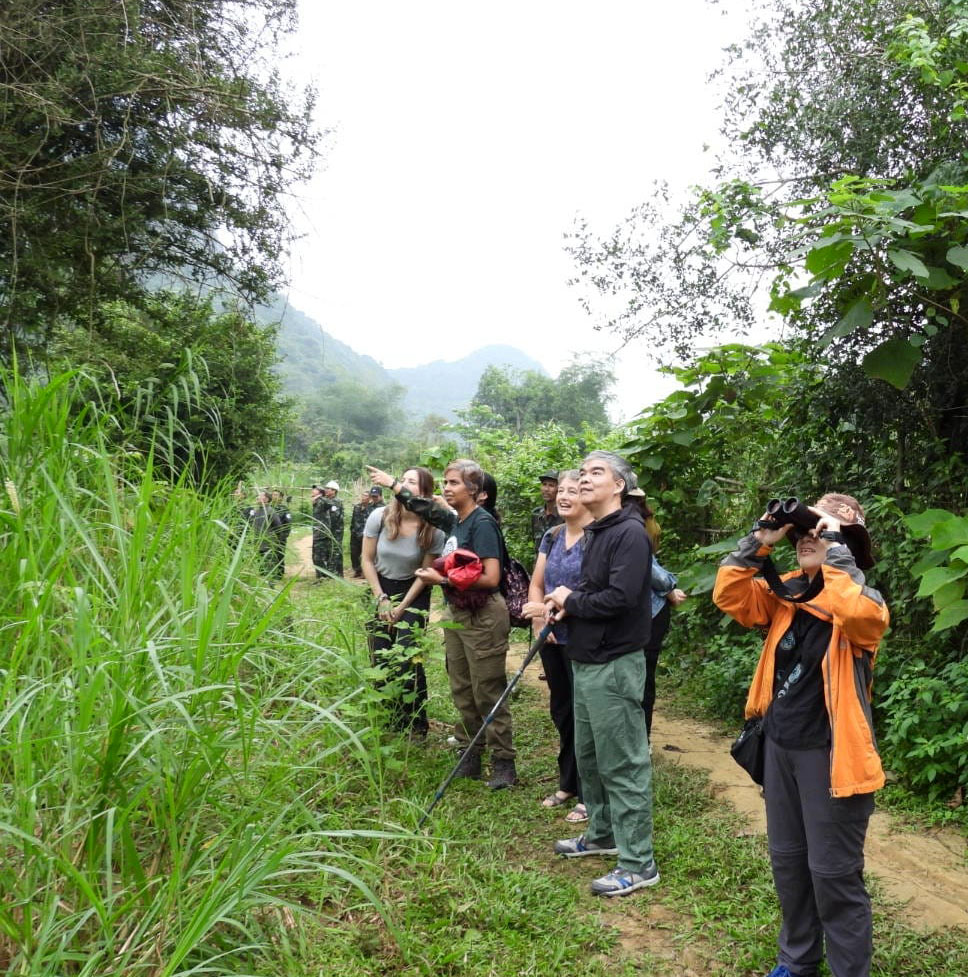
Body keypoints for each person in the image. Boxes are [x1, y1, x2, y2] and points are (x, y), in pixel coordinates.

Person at [713, 493, 889, 977]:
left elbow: (853, 611)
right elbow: (729, 596)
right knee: (789, 865)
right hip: (781, 749)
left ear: (845, 547)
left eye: (826, 533)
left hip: (832, 757)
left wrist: (832, 541)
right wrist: (759, 542)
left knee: (833, 875)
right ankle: (797, 961)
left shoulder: (862, 602)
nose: (809, 539)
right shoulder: (787, 593)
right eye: (805, 531)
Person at [544, 450, 658, 897]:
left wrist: (569, 601)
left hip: (614, 664)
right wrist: (563, 603)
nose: (585, 479)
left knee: (623, 763)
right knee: (589, 758)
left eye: (596, 473)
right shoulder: (598, 532)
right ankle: (603, 834)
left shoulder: (629, 533)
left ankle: (638, 862)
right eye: (583, 471)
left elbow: (621, 599)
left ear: (619, 486)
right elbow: (592, 589)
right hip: (586, 661)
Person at [368, 460, 517, 789]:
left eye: (454, 483)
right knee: (462, 688)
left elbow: (491, 577)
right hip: (457, 613)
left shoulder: (482, 524)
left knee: (487, 689)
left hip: (483, 614)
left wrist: (442, 577)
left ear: (475, 491)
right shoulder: (457, 522)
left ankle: (503, 761)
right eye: (445, 482)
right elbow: (422, 505)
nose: (446, 488)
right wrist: (394, 484)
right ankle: (470, 753)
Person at [522, 469, 592, 825]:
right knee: (562, 711)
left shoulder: (598, 538)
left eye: (573, 491)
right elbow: (537, 583)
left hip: (584, 639)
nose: (564, 496)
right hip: (551, 637)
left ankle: (589, 791)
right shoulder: (552, 535)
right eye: (561, 490)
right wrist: (538, 621)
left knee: (587, 717)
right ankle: (568, 782)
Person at [362, 468, 444, 737]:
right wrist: (382, 599)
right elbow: (366, 560)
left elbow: (424, 573)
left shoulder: (433, 529)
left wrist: (402, 607)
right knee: (380, 656)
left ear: (424, 493)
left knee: (409, 655)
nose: (404, 485)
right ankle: (387, 717)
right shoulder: (380, 516)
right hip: (381, 587)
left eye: (412, 482)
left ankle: (416, 722)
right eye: (403, 480)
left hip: (415, 589)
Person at [627, 487, 688, 738]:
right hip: (645, 608)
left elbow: (649, 565)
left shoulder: (637, 525)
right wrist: (669, 589)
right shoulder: (632, 523)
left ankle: (643, 735)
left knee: (643, 676)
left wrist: (668, 586)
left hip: (650, 611)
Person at [247, 490, 283, 578]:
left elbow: (278, 528)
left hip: (268, 544)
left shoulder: (270, 511)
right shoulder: (257, 511)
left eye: (260, 496)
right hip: (258, 543)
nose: (257, 497)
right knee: (261, 566)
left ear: (266, 499)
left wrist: (276, 541)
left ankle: (271, 583)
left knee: (269, 566)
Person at [351, 487, 385, 577]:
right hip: (366, 533)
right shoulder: (369, 506)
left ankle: (370, 573)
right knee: (359, 553)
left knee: (372, 554)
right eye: (372, 496)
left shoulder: (383, 508)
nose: (374, 498)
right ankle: (360, 571)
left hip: (377, 534)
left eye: (376, 496)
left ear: (380, 496)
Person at [531, 470, 563, 553]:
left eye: (551, 485)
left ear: (559, 489)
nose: (546, 489)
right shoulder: (536, 514)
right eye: (544, 484)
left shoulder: (564, 515)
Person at [319, 480, 344, 577]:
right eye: (326, 489)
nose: (326, 491)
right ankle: (332, 573)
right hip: (329, 530)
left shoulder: (336, 502)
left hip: (335, 531)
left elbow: (334, 518)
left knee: (335, 551)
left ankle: (334, 574)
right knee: (329, 551)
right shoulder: (327, 501)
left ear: (334, 491)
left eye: (329, 489)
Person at [269, 489, 293, 580]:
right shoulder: (268, 507)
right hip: (268, 535)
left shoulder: (284, 509)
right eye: (273, 494)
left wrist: (283, 536)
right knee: (269, 554)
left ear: (281, 498)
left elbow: (288, 524)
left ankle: (279, 573)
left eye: (276, 495)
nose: (274, 496)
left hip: (280, 536)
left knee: (279, 554)